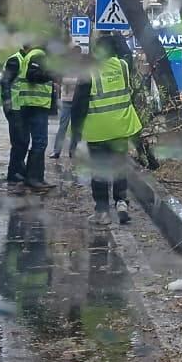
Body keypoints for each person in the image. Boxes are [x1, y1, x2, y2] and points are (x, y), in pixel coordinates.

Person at [71, 35, 141, 226]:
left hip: (98, 131)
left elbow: (79, 104)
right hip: (120, 128)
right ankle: (121, 203)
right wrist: (118, 38)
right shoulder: (123, 67)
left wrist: (75, 134)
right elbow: (127, 53)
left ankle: (102, 212)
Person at [13, 42, 56, 191]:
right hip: (36, 104)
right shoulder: (39, 55)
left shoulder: (32, 54)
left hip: (31, 103)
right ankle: (34, 178)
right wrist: (52, 74)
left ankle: (37, 178)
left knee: (38, 142)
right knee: (40, 142)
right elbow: (33, 75)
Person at [1, 46, 29, 191]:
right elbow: (5, 82)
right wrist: (8, 104)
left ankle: (18, 169)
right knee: (20, 141)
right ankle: (13, 173)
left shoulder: (23, 59)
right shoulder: (15, 60)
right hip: (14, 107)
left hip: (20, 106)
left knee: (22, 141)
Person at [50, 49, 81, 158]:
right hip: (67, 100)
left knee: (76, 128)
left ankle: (72, 151)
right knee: (63, 126)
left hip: (77, 101)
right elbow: (57, 80)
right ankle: (56, 151)